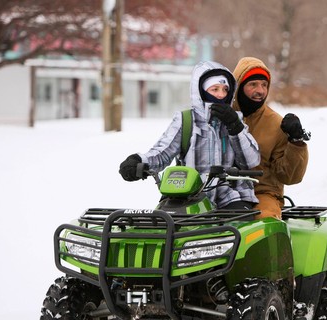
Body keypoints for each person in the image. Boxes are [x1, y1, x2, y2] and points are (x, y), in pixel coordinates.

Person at [118, 61, 260, 210]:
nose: (221, 95)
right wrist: (138, 161)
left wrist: (234, 127)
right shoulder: (186, 120)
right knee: (168, 227)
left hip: (230, 196)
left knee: (234, 228)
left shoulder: (234, 120)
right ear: (201, 91)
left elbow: (251, 161)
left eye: (225, 89)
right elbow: (162, 152)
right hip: (188, 195)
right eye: (215, 89)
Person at [231, 57, 309, 219]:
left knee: (264, 222)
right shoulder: (221, 115)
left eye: (264, 85)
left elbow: (290, 176)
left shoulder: (276, 123)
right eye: (253, 84)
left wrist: (296, 142)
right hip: (220, 190)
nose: (260, 90)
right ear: (238, 86)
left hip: (262, 193)